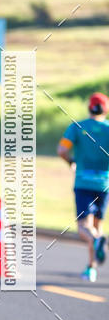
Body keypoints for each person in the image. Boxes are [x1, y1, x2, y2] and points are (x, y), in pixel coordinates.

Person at [57, 91, 109, 282]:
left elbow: (62, 149)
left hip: (83, 183)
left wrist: (71, 162)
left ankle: (95, 244)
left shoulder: (77, 127)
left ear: (89, 107)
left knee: (83, 228)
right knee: (97, 226)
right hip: (104, 184)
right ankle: (91, 269)